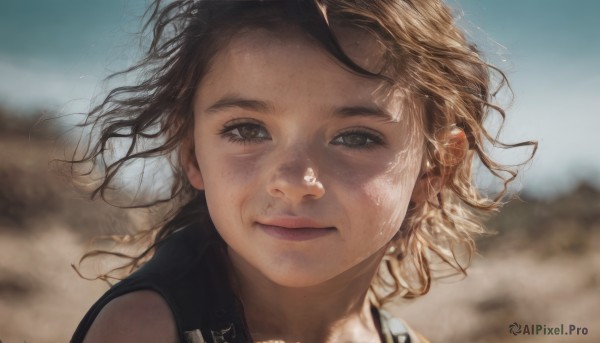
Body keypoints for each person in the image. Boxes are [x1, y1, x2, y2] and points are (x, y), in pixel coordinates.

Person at [69, 0, 536, 342]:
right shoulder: (143, 330)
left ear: (434, 168)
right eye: (248, 129)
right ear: (192, 153)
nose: (294, 180)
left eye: (355, 137)